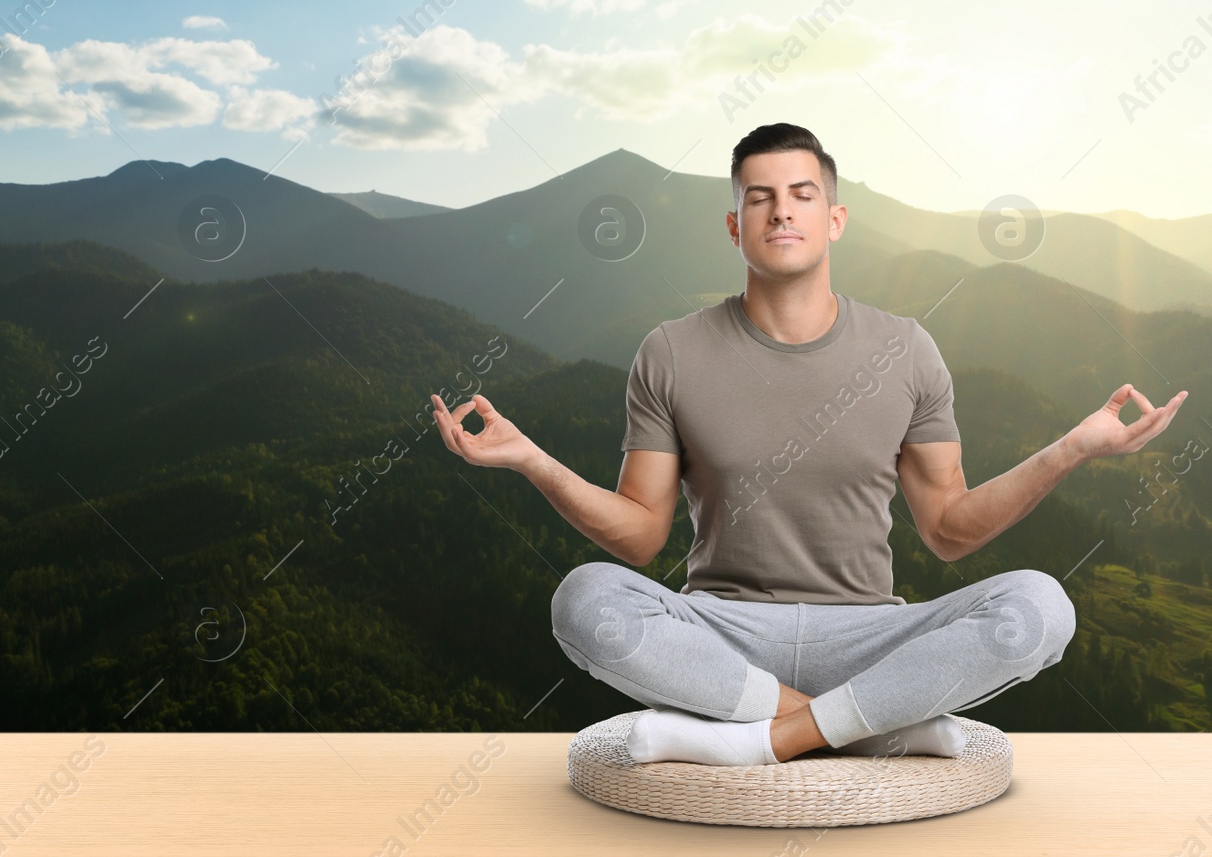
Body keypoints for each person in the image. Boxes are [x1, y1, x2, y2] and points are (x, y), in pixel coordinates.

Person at [429, 122, 1189, 766]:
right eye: (758, 199)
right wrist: (531, 458)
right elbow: (639, 534)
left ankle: (754, 740)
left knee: (1040, 607)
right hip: (722, 634)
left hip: (872, 630)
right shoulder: (669, 351)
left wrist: (1070, 450)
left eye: (801, 196)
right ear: (735, 226)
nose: (780, 212)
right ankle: (870, 728)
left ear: (835, 219)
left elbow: (950, 531)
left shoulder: (907, 348)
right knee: (584, 599)